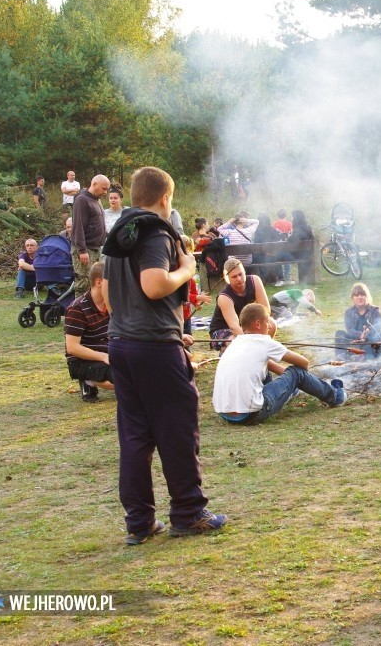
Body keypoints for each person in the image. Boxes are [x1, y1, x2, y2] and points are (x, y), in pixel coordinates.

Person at [102, 165, 226, 545]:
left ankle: (139, 522)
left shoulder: (118, 233)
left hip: (121, 345)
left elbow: (108, 297)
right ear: (165, 198)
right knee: (177, 431)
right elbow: (154, 285)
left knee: (136, 437)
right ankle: (189, 513)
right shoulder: (154, 231)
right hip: (154, 348)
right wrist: (187, 268)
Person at [212, 303, 347, 424]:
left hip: (225, 414)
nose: (270, 326)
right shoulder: (264, 342)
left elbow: (262, 366)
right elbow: (303, 364)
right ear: (258, 324)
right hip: (250, 414)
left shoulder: (235, 343)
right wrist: (291, 376)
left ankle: (289, 392)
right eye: (268, 322)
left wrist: (286, 380)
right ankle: (335, 396)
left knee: (266, 372)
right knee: (296, 372)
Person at [64, 261, 114, 402]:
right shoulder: (77, 309)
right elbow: (72, 348)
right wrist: (103, 357)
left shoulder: (112, 303)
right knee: (126, 379)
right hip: (81, 361)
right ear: (99, 282)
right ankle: (88, 380)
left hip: (108, 353)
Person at [209, 257, 271, 350]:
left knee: (271, 324)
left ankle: (263, 353)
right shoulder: (224, 297)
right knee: (236, 343)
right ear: (227, 278)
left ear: (244, 272)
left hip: (244, 324)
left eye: (241, 274)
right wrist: (252, 342)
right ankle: (226, 353)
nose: (239, 279)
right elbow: (234, 328)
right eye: (234, 276)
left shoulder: (255, 281)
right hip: (222, 329)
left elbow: (265, 310)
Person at [71, 174, 109, 295]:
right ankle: (78, 312)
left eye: (107, 189)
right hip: (85, 249)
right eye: (104, 188)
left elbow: (99, 224)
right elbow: (78, 226)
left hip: (96, 248)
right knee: (84, 283)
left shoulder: (96, 200)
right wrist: (82, 251)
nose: (106, 192)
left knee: (94, 283)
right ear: (94, 184)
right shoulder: (82, 199)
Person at [334, 282, 381, 359]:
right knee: (339, 333)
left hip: (369, 342)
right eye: (356, 295)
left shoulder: (375, 311)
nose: (360, 297)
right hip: (354, 342)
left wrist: (367, 333)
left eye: (362, 295)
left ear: (367, 296)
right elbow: (349, 330)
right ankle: (341, 358)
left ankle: (366, 357)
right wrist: (360, 335)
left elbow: (378, 326)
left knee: (377, 337)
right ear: (352, 298)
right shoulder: (349, 312)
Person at [178, 236, 212, 335]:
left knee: (188, 338)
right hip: (176, 316)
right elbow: (178, 296)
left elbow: (193, 294)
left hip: (187, 316)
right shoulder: (176, 277)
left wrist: (197, 303)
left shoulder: (190, 280)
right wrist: (197, 297)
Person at [251, 213, 283, 285]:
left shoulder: (257, 231)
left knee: (256, 256)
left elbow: (256, 244)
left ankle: (263, 278)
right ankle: (280, 277)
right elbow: (279, 240)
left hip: (262, 256)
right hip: (273, 255)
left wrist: (265, 252)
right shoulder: (273, 230)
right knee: (276, 257)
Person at [286, 209, 314, 285]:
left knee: (281, 254)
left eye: (292, 216)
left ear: (296, 218)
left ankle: (282, 278)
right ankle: (304, 280)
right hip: (308, 253)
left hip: (300, 255)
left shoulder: (298, 228)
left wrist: (288, 238)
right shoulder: (308, 227)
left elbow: (293, 239)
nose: (291, 218)